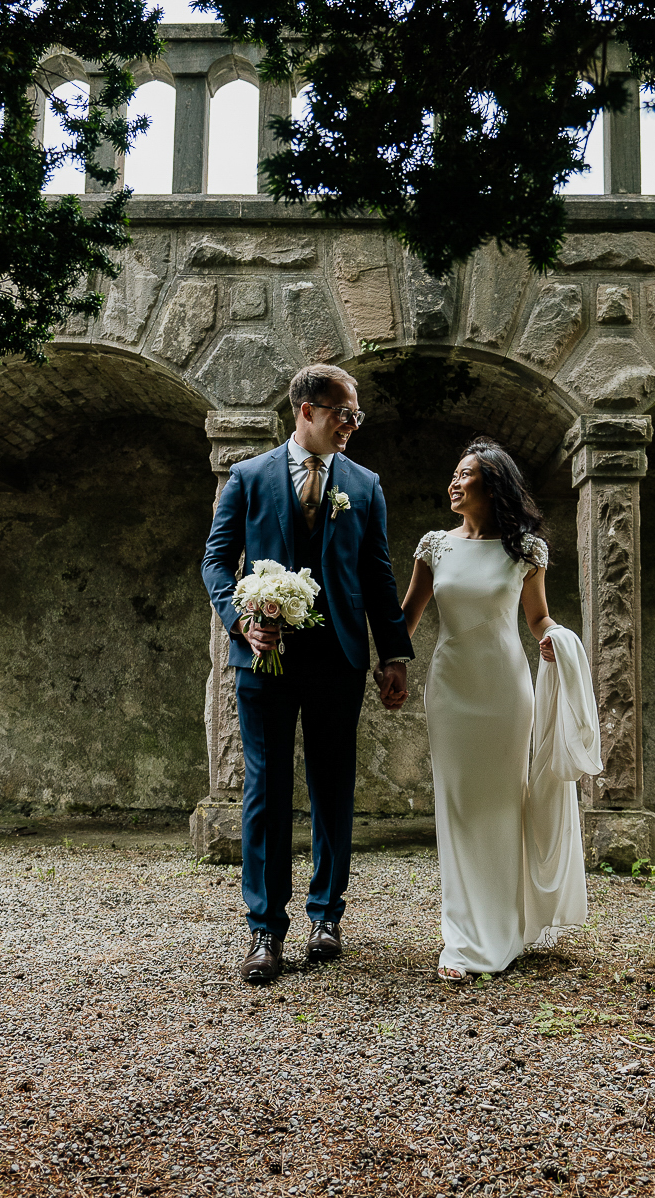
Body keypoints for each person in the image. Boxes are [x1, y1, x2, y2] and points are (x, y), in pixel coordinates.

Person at [201, 364, 414, 985]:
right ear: (307, 410)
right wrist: (242, 621)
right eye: (343, 413)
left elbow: (378, 574)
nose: (352, 424)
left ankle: (327, 915)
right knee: (266, 792)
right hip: (263, 660)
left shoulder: (365, 486)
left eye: (357, 415)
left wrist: (392, 655)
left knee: (332, 787)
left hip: (339, 660)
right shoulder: (247, 478)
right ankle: (265, 930)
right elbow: (216, 562)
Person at [400, 438, 588, 979]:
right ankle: (462, 939)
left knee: (505, 804)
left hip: (506, 691)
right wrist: (390, 665)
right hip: (452, 690)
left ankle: (504, 932)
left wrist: (555, 639)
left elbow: (537, 619)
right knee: (457, 806)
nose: (455, 483)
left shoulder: (526, 551)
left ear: (493, 484)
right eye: (454, 474)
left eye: (466, 475)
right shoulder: (434, 546)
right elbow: (406, 619)